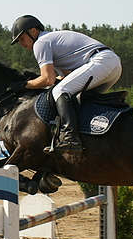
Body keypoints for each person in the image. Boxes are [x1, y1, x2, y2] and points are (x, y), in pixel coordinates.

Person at [9, 15, 122, 157]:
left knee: (60, 91)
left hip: (100, 62)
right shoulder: (51, 41)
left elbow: (47, 79)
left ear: (33, 31)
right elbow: (66, 77)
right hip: (112, 64)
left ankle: (70, 138)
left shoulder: (41, 42)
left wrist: (24, 85)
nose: (22, 44)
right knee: (74, 97)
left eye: (21, 39)